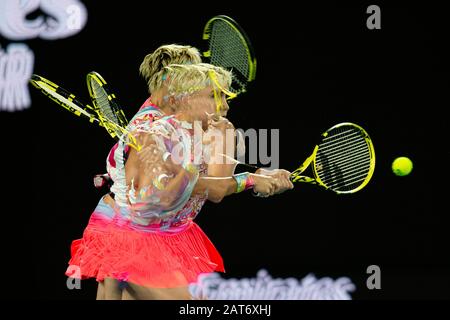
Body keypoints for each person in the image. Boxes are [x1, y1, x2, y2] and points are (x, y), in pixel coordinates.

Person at [66, 46, 293, 300]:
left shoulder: (190, 123)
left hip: (163, 232)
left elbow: (215, 184)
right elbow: (198, 189)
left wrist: (254, 172)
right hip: (133, 233)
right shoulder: (151, 128)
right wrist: (249, 180)